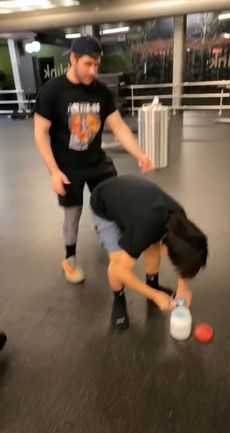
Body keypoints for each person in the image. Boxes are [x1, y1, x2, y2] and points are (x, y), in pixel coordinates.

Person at [34, 35, 152, 284]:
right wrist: (53, 171)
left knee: (110, 205)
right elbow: (40, 133)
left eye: (97, 65)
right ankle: (69, 258)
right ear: (73, 58)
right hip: (68, 167)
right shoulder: (52, 91)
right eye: (88, 64)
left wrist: (140, 153)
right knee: (72, 215)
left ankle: (111, 244)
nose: (93, 70)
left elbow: (118, 126)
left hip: (97, 162)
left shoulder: (101, 92)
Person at [90, 174, 208, 330]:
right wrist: (155, 296)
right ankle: (119, 300)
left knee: (152, 246)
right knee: (117, 260)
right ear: (167, 248)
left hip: (133, 202)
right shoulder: (144, 229)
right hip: (103, 204)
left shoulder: (180, 219)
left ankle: (153, 285)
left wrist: (183, 286)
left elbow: (186, 254)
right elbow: (120, 271)